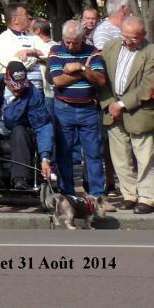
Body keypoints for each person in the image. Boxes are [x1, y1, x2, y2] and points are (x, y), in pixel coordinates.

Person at [49, 19, 109, 207]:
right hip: (63, 108)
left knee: (93, 153)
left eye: (74, 42)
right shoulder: (56, 51)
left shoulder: (93, 52)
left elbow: (100, 81)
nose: (70, 45)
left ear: (82, 38)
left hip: (88, 109)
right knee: (64, 153)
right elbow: (57, 80)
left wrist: (80, 68)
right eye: (67, 41)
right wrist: (84, 71)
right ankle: (68, 193)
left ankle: (97, 194)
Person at [98, 15, 154, 212]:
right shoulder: (111, 46)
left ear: (143, 35)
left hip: (139, 110)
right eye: (126, 36)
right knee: (120, 156)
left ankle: (147, 198)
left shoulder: (150, 52)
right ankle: (129, 194)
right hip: (113, 108)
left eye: (134, 38)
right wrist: (110, 104)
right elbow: (100, 77)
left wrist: (122, 104)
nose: (129, 41)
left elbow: (148, 86)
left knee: (144, 156)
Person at [0, 61, 54, 191]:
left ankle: (20, 179)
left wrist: (45, 158)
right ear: (6, 79)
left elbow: (42, 125)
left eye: (21, 85)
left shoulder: (33, 94)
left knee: (20, 131)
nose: (18, 88)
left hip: (18, 132)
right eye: (14, 85)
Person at [0, 2, 42, 76]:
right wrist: (37, 56)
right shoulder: (2, 40)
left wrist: (30, 52)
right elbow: (17, 65)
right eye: (25, 14)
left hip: (42, 86)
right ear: (15, 20)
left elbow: (49, 52)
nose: (28, 17)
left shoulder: (33, 36)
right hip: (18, 85)